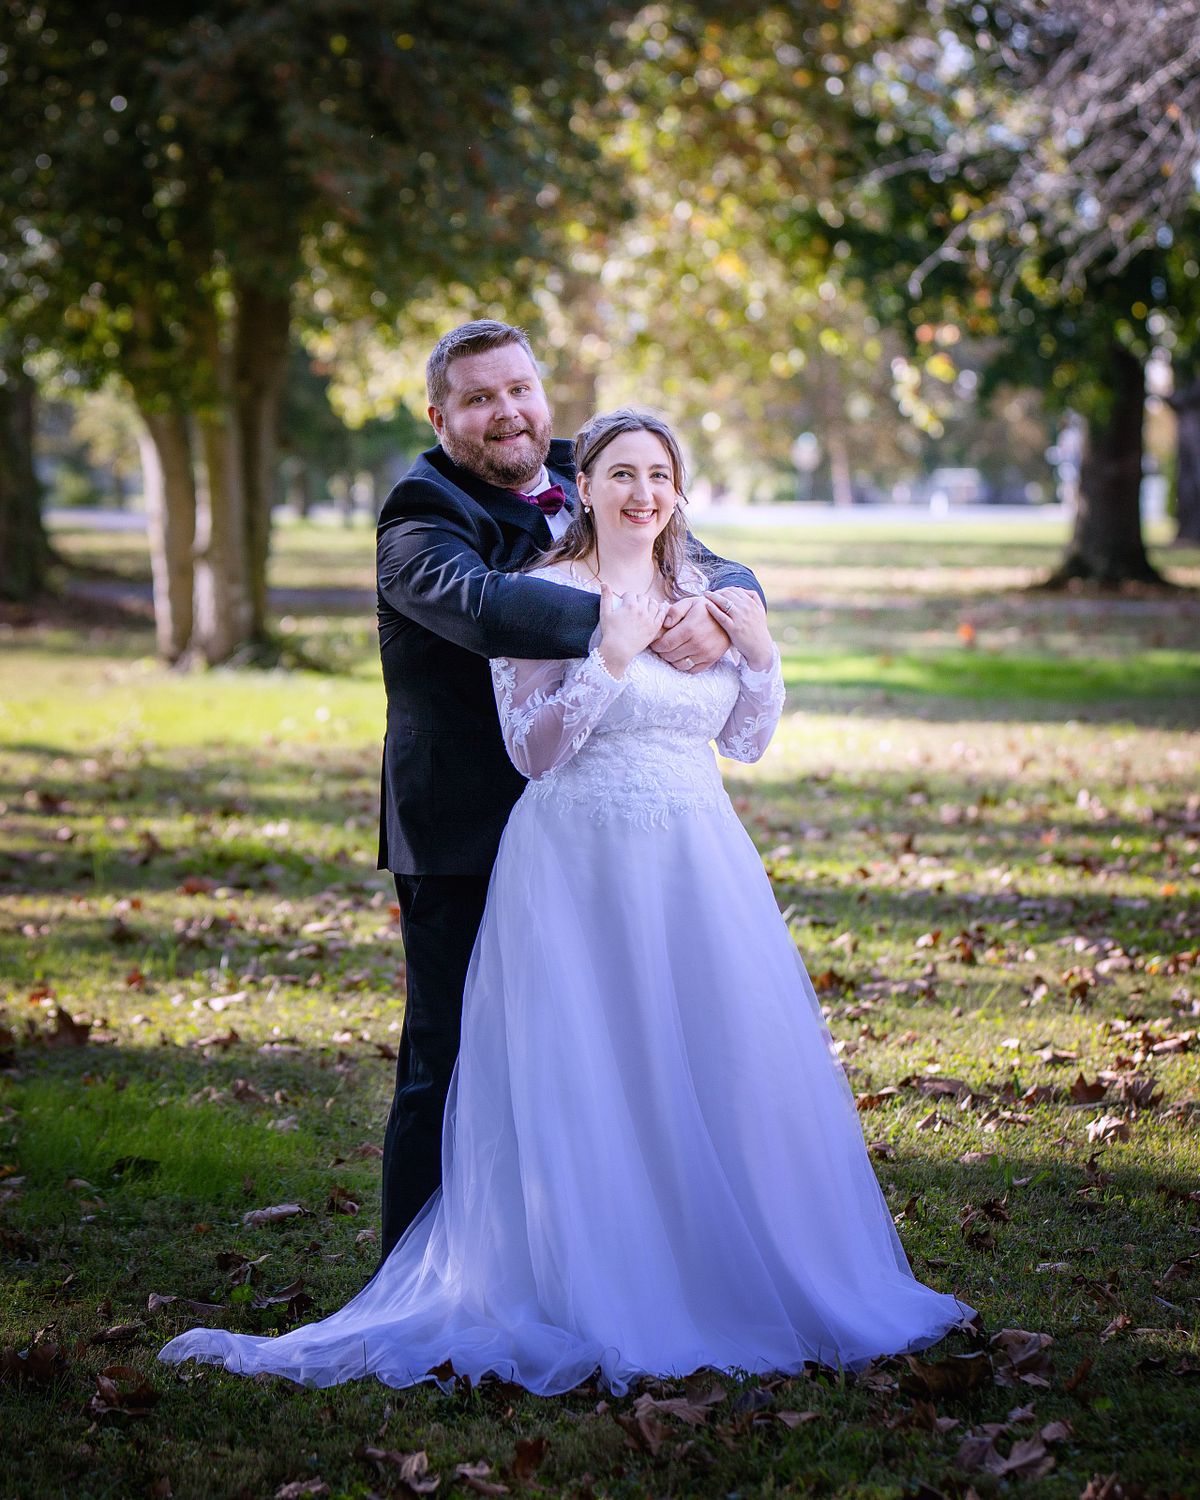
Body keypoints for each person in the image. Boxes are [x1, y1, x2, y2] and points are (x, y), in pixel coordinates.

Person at [159, 408, 972, 1393]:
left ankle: (718, 1260)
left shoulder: (706, 594)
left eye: (659, 475)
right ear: (580, 487)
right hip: (576, 859)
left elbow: (747, 740)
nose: (642, 493)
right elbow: (533, 752)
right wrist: (612, 654)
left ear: (679, 488)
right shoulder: (542, 593)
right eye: (620, 474)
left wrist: (760, 654)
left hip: (697, 859)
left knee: (710, 1055)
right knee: (597, 1063)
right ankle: (595, 1278)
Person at [370, 321, 762, 1256]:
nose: (507, 412)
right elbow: (485, 606)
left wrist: (722, 606)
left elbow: (711, 557)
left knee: (606, 1050)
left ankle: (595, 1252)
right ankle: (420, 1270)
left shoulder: (585, 466)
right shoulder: (418, 515)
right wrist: (641, 616)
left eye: (520, 389)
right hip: (467, 825)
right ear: (440, 418)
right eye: (478, 399)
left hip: (596, 829)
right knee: (453, 1060)